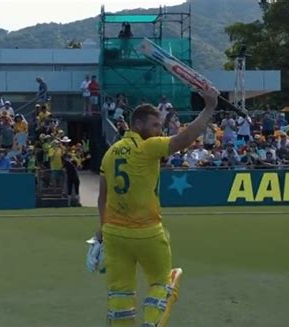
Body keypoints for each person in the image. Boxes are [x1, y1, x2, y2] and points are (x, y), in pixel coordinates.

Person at [87, 87, 220, 326]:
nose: (159, 130)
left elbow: (102, 197)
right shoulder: (146, 147)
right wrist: (209, 107)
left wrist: (100, 232)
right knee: (161, 283)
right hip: (147, 232)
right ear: (138, 125)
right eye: (155, 125)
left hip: (114, 235)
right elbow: (184, 139)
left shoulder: (110, 153)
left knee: (120, 293)